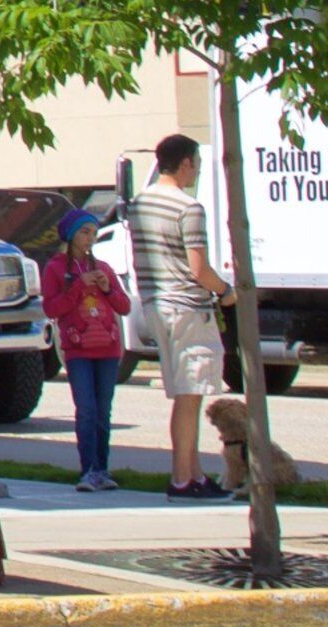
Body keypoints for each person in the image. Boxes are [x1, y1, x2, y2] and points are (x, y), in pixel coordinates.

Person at [125, 134, 233, 499]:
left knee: (184, 396)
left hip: (155, 304)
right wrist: (226, 291)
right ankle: (182, 479)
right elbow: (199, 268)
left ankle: (194, 473)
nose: (198, 170)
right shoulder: (189, 207)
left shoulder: (138, 204)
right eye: (197, 162)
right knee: (191, 395)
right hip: (188, 307)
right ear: (186, 162)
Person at [43, 204, 134, 491]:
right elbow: (52, 308)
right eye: (84, 232)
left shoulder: (103, 267)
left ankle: (103, 469)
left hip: (107, 348)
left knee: (103, 411)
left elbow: (124, 306)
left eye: (94, 232)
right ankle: (88, 470)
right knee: (86, 409)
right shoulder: (56, 268)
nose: (90, 238)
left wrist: (108, 288)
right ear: (71, 235)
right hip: (78, 349)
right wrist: (78, 287)